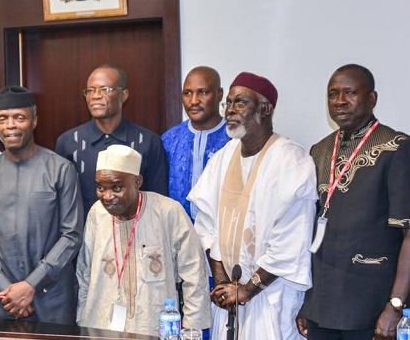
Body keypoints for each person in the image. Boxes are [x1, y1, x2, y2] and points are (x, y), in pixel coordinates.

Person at [188, 72, 317, 339]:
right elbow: (207, 224)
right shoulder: (223, 158)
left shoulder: (290, 160)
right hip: (231, 298)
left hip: (272, 295)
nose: (230, 111)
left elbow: (291, 239)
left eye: (240, 103)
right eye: (229, 103)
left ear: (265, 109)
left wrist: (248, 289)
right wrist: (223, 283)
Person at [298, 64, 410, 340]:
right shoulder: (320, 150)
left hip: (372, 306)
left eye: (350, 93)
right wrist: (306, 302)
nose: (339, 101)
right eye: (333, 94)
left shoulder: (396, 148)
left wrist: (395, 306)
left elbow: (409, 234)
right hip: (322, 303)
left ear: (372, 99)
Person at [0, 86, 83, 324]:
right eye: (3, 119)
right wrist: (7, 289)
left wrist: (31, 285)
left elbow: (71, 235)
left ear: (34, 120)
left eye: (19, 118)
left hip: (52, 300)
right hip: (2, 300)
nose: (10, 125)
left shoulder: (60, 169)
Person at [77, 144, 211, 335]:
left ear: (138, 181)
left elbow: (194, 273)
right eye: (100, 187)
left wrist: (192, 329)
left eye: (116, 187)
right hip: (101, 325)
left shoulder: (168, 212)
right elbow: (85, 273)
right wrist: (83, 321)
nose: (107, 196)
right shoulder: (96, 214)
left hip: (155, 326)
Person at [55, 64, 168, 215]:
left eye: (105, 90)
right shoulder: (68, 142)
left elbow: (159, 202)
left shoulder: (148, 142)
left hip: (136, 234)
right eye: (90, 90)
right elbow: (62, 202)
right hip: (84, 235)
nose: (95, 96)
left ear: (124, 95)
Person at [163, 66, 231, 220]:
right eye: (187, 93)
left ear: (219, 94)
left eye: (203, 92)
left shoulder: (235, 139)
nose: (193, 101)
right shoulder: (169, 140)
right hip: (178, 234)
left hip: (222, 233)